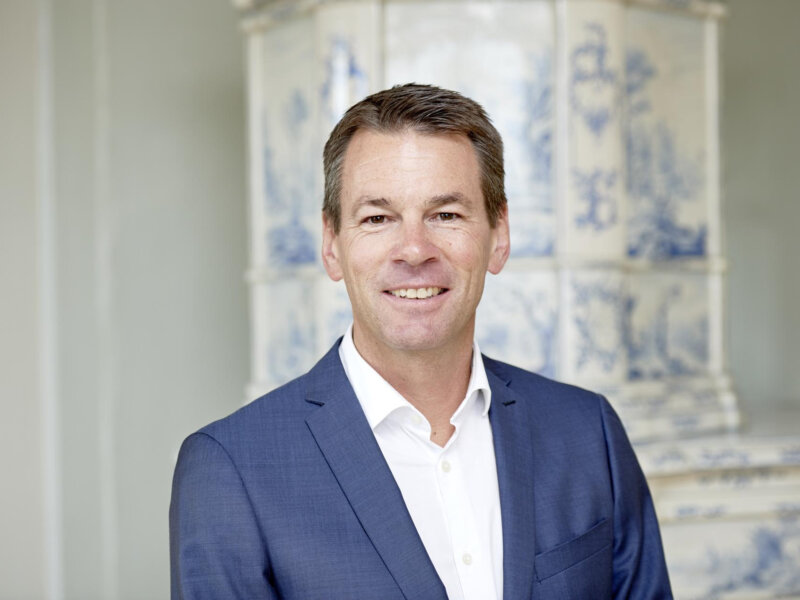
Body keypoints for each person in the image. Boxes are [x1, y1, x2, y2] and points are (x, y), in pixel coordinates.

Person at [169, 83, 672, 599]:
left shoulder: (588, 432)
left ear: (498, 235)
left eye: (445, 214)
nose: (413, 250)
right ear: (332, 244)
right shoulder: (231, 470)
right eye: (377, 218)